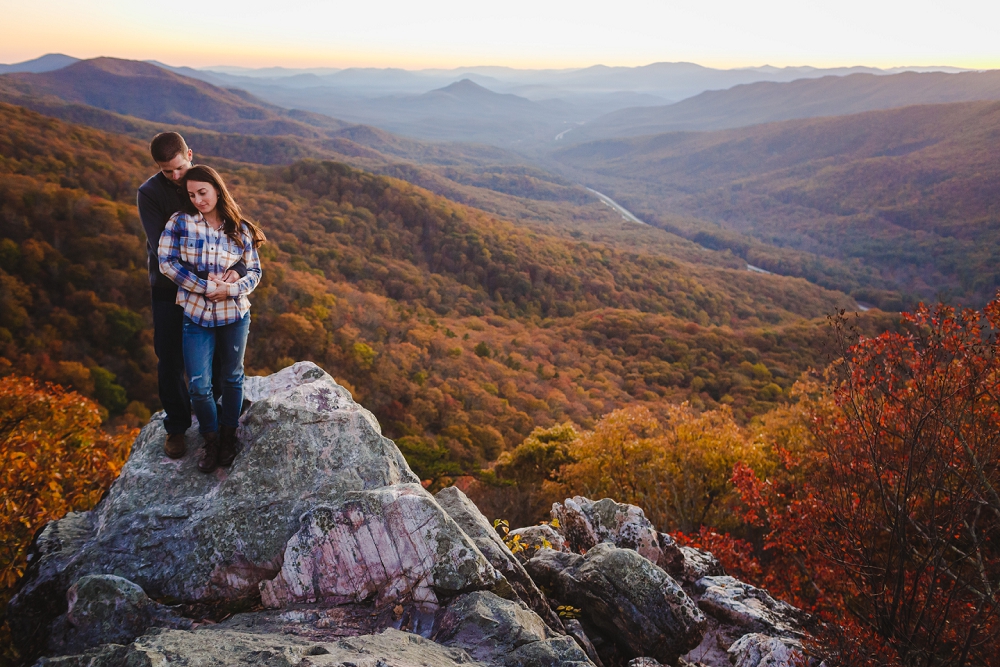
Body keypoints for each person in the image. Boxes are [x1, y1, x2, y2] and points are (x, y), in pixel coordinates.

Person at [138, 133, 245, 459]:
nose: (175, 176)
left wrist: (237, 271)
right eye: (167, 171)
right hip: (170, 288)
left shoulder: (203, 183)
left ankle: (215, 415)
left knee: (214, 355)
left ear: (190, 154)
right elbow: (163, 250)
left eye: (179, 168)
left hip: (213, 289)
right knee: (170, 359)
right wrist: (206, 284)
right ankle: (177, 427)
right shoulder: (150, 193)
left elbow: (236, 234)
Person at [158, 165, 265, 473]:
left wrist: (230, 289)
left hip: (234, 314)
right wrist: (206, 287)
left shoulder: (239, 227)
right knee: (198, 385)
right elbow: (166, 263)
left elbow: (255, 272)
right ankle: (212, 438)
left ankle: (229, 436)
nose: (198, 200)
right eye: (191, 195)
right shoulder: (180, 222)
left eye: (202, 193)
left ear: (217, 190)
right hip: (196, 313)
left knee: (232, 378)